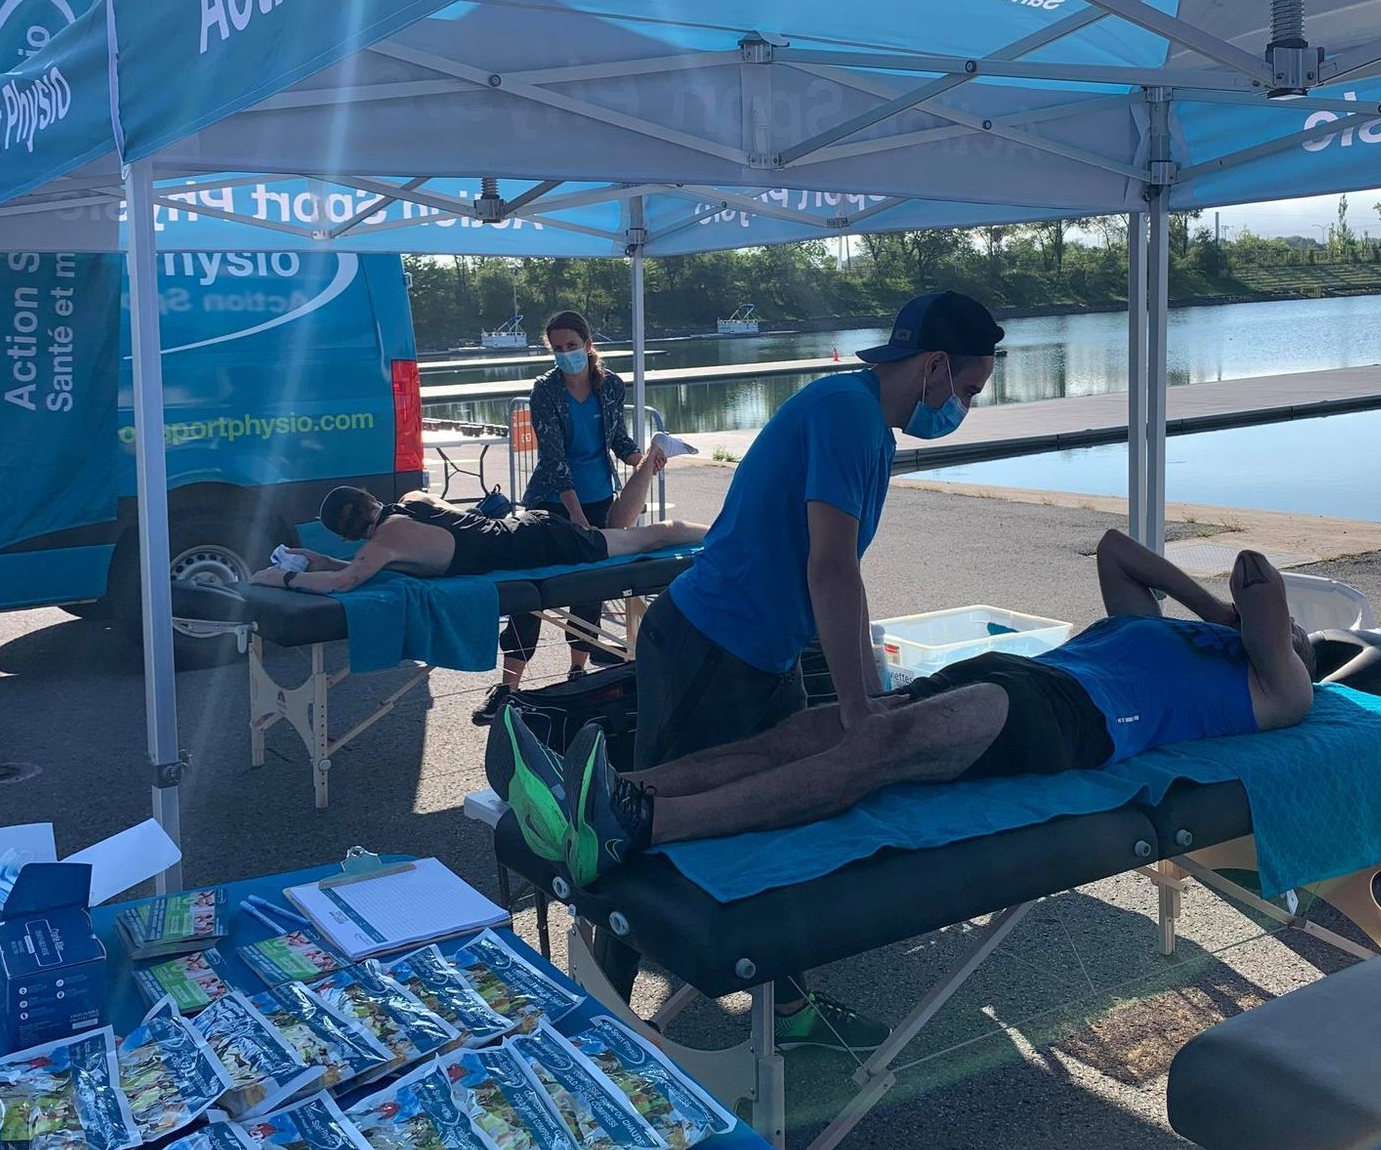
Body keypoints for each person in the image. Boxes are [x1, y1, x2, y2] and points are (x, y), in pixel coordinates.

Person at [573, 290, 1003, 1052]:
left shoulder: (865, 421)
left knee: (775, 817)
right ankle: (599, 1016)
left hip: (760, 650)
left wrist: (868, 690)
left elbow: (841, 578)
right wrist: (858, 709)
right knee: (647, 832)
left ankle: (792, 1012)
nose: (961, 408)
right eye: (966, 390)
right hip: (709, 645)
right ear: (934, 366)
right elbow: (830, 569)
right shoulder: (847, 416)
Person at [498, 536, 1315, 887]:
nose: (1287, 636)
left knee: (882, 746)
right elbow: (1114, 550)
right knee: (815, 728)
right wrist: (1211, 614)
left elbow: (1259, 579)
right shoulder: (1175, 636)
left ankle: (640, 826)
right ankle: (611, 793)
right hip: (1018, 674)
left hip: (1075, 720)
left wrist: (1244, 623)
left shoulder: (1279, 692)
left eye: (1293, 640)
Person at [497, 311, 660, 701]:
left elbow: (618, 440)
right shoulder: (545, 391)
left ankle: (577, 672)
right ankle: (507, 687)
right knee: (532, 593)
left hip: (599, 496)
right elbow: (554, 459)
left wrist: (644, 461)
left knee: (589, 590)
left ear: (588, 345)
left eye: (571, 345)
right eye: (557, 349)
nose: (565, 354)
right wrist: (576, 516)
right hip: (551, 503)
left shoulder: (611, 386)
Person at [247, 472, 702, 594]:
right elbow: (358, 567)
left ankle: (721, 532)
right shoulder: (414, 499)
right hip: (529, 526)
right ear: (370, 499)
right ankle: (716, 530)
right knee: (640, 537)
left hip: (540, 544)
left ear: (349, 537)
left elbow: (346, 581)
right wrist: (320, 563)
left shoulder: (382, 545)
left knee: (648, 538)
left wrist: (285, 576)